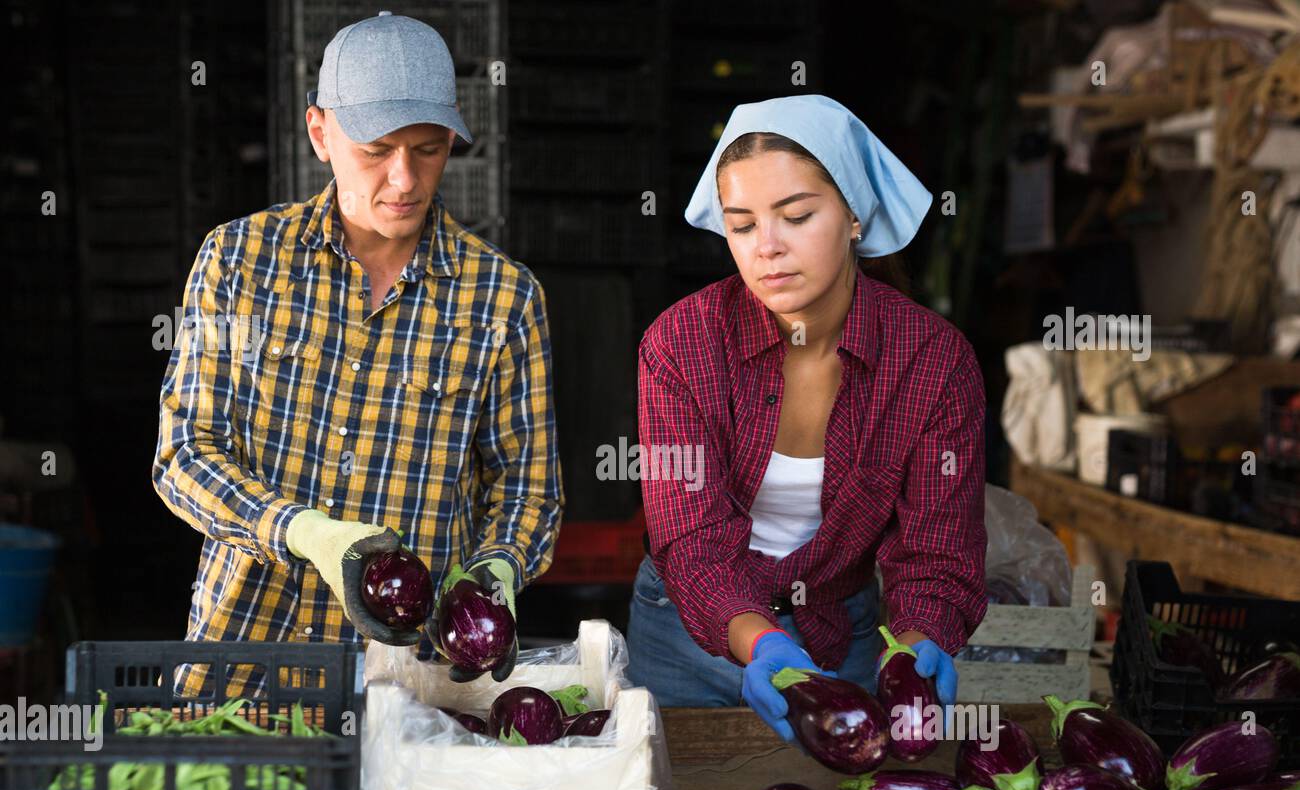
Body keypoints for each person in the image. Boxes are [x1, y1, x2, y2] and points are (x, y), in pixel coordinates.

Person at [153, 12, 562, 697]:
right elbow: (183, 452)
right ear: (320, 133)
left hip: (414, 685)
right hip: (245, 665)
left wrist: (496, 569)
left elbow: (526, 489)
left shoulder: (504, 298)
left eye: (428, 149)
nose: (404, 179)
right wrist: (303, 531)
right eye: (376, 149)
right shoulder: (237, 262)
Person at [628, 95, 986, 742]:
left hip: (841, 636)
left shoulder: (934, 363)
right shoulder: (679, 347)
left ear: (853, 214)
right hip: (684, 632)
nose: (767, 247)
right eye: (741, 226)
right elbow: (690, 538)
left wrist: (917, 640)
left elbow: (936, 553)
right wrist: (761, 642)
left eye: (796, 216)